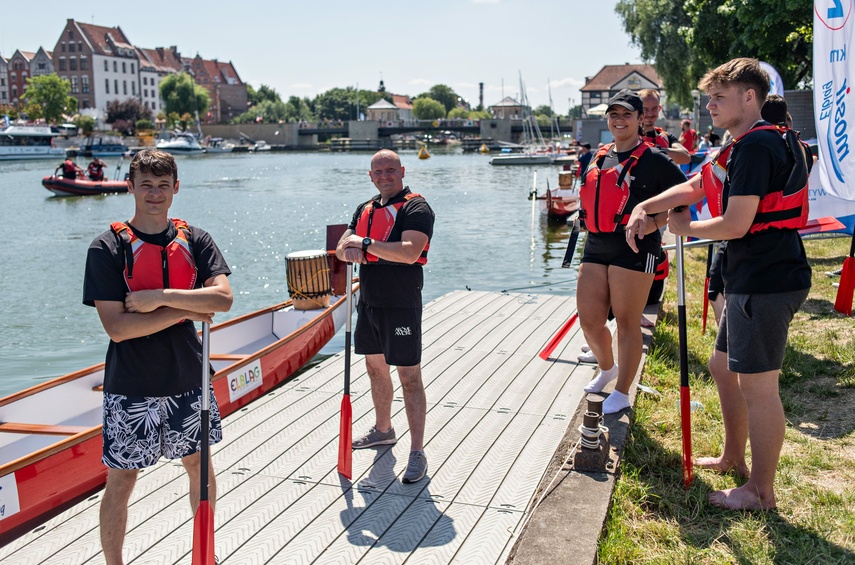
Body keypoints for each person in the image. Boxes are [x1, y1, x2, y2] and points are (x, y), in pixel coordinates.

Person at [624, 58, 812, 510]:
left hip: (766, 278)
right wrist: (645, 206)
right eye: (708, 97)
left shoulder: (754, 148)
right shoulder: (742, 144)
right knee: (723, 367)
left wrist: (681, 229)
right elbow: (695, 186)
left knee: (759, 387)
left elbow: (736, 223)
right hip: (754, 274)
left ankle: (760, 492)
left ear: (750, 98)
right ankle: (733, 458)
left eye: (718, 97)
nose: (709, 105)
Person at [83, 149, 233, 563]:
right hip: (130, 385)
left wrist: (159, 299)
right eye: (145, 185)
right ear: (130, 186)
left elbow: (223, 299)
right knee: (121, 479)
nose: (154, 194)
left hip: (189, 377)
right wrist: (187, 309)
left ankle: (205, 554)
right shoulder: (107, 248)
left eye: (163, 185)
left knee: (199, 466)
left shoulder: (197, 240)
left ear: (176, 189)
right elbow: (118, 327)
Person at [576, 89, 687, 414]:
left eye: (626, 114)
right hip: (596, 244)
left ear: (641, 119)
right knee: (590, 320)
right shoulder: (597, 157)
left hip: (636, 248)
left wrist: (654, 224)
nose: (619, 120)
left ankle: (622, 390)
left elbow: (682, 200)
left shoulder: (655, 159)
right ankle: (607, 368)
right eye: (614, 114)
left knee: (626, 322)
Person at [336, 149, 435, 484]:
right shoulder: (364, 208)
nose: (385, 176)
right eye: (379, 171)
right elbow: (340, 247)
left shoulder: (416, 207)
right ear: (371, 176)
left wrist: (363, 243)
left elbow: (409, 252)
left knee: (409, 376)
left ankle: (417, 452)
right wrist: (353, 246)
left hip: (402, 303)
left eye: (391, 170)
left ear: (402, 171)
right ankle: (383, 430)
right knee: (375, 368)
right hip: (370, 303)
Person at [638, 89, 691, 165]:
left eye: (654, 109)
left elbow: (686, 156)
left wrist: (654, 150)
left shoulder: (666, 137)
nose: (650, 114)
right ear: (638, 110)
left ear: (659, 109)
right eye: (645, 109)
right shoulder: (630, 136)